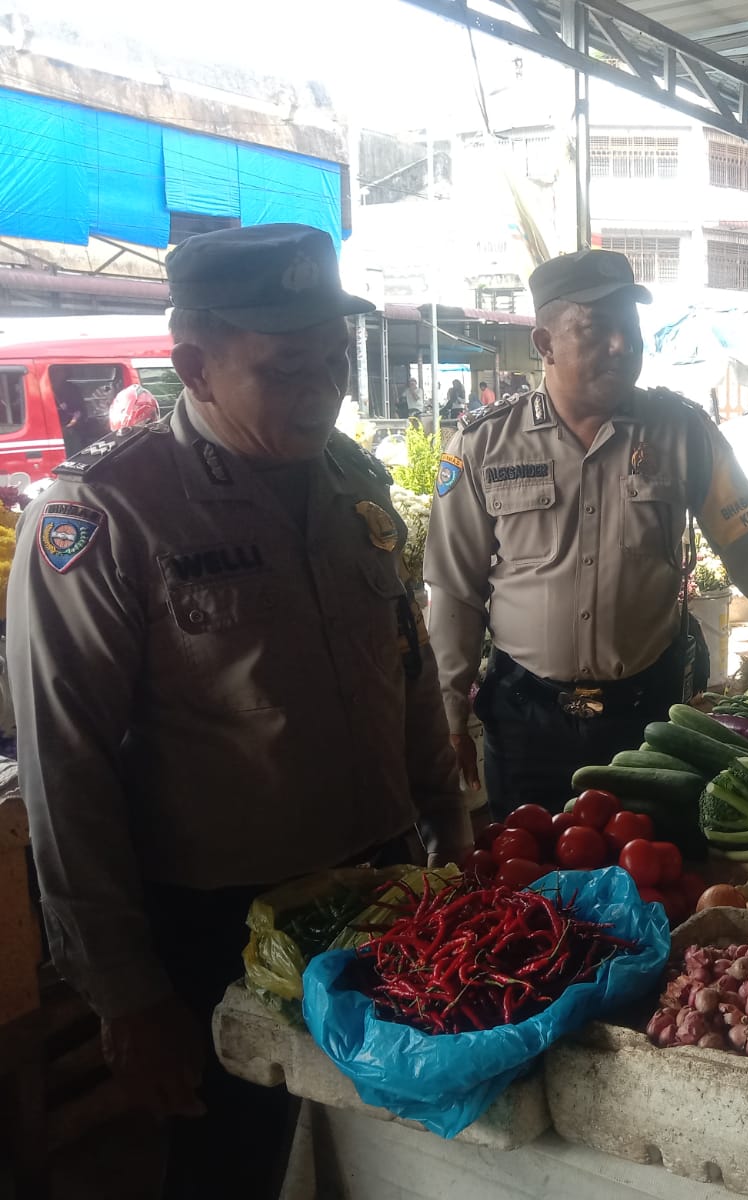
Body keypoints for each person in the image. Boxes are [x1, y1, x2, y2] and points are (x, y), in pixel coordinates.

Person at [9, 224, 470, 1200]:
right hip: (219, 929)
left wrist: (449, 814)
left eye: (334, 363)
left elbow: (408, 660)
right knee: (238, 1168)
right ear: (194, 366)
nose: (322, 391)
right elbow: (66, 769)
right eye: (286, 367)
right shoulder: (104, 515)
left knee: (387, 1150)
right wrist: (124, 991)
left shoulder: (349, 479)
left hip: (383, 893)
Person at [425, 249, 748, 818]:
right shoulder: (485, 445)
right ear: (545, 343)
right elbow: (454, 589)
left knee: (656, 878)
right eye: (598, 330)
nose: (622, 346)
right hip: (527, 722)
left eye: (631, 330)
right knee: (528, 885)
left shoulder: (684, 432)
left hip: (650, 720)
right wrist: (448, 714)